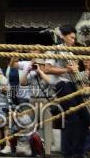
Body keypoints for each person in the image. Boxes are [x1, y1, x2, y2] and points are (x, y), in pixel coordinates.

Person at [34, 27, 86, 158]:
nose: (73, 40)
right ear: (63, 36)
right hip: (62, 85)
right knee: (72, 118)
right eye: (71, 37)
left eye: (74, 38)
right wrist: (66, 70)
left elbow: (75, 70)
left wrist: (75, 69)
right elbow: (47, 68)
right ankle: (69, 153)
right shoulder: (55, 49)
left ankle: (79, 152)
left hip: (75, 85)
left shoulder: (71, 52)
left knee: (85, 118)